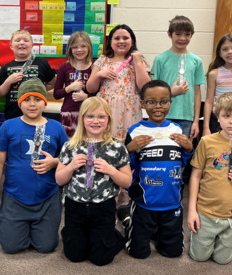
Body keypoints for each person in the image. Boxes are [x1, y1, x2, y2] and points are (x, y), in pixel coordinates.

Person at [0, 78, 68, 254]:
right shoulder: (9, 126)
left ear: (45, 102)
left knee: (46, 247)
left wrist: (55, 162)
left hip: (47, 197)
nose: (32, 104)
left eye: (37, 99)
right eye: (26, 99)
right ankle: (21, 227)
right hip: (14, 197)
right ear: (19, 102)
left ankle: (38, 227)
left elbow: (68, 158)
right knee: (11, 247)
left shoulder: (56, 127)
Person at [119, 79, 193, 259]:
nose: (158, 106)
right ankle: (128, 219)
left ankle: (157, 230)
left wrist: (189, 149)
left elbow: (182, 163)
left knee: (173, 252)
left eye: (164, 101)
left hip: (172, 202)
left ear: (170, 102)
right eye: (151, 102)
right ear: (143, 103)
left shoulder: (176, 129)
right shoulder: (135, 131)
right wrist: (128, 148)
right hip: (144, 202)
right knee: (138, 253)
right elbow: (124, 165)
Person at [56, 97, 131, 266]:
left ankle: (114, 234)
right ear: (82, 118)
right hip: (75, 206)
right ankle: (74, 233)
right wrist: (70, 167)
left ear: (108, 120)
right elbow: (59, 180)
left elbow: (127, 182)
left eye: (101, 117)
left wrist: (111, 170)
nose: (95, 121)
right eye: (90, 116)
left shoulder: (117, 147)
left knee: (101, 259)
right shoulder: (70, 146)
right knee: (74, 256)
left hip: (103, 207)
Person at [187, 91, 232, 265]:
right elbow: (196, 176)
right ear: (217, 117)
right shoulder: (207, 142)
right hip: (206, 212)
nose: (231, 121)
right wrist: (192, 211)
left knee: (223, 261)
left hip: (230, 217)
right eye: (226, 115)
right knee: (199, 257)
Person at [86, 24, 150, 141]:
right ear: (110, 42)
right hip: (106, 107)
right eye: (117, 38)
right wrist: (99, 75)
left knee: (130, 141)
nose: (121, 41)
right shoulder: (103, 60)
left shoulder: (138, 61)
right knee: (106, 140)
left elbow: (145, 87)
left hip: (131, 108)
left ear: (132, 41)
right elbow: (90, 89)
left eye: (125, 38)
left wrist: (138, 63)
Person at [151, 15, 205, 139]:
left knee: (184, 153)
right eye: (178, 34)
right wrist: (170, 93)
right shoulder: (160, 59)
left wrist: (196, 121)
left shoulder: (196, 61)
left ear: (192, 35)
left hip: (187, 118)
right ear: (170, 34)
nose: (182, 38)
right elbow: (152, 91)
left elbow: (197, 93)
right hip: (163, 116)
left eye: (187, 34)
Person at [0, 29, 56, 120]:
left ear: (32, 45)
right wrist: (9, 81)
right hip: (13, 114)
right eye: (17, 40)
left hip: (36, 113)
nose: (21, 43)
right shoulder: (7, 67)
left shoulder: (42, 63)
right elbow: (0, 93)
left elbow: (52, 83)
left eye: (26, 40)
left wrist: (38, 89)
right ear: (11, 46)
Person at [54, 31, 94, 138]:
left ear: (89, 47)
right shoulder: (64, 67)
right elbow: (56, 94)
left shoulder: (94, 67)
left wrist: (86, 97)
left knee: (87, 145)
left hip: (89, 113)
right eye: (75, 47)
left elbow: (100, 94)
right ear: (70, 49)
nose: (79, 50)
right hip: (68, 114)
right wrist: (69, 88)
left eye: (83, 46)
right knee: (69, 146)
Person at [202, 33, 232, 136]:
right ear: (219, 53)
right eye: (225, 49)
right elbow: (209, 101)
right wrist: (206, 127)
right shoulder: (214, 74)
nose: (230, 52)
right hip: (218, 120)